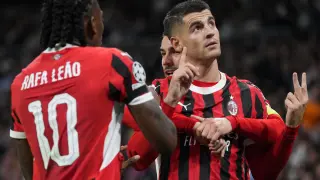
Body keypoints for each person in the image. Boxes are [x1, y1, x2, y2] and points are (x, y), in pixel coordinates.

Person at [125, 1, 309, 179]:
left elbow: (264, 173)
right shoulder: (160, 91)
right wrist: (174, 109)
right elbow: (139, 160)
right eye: (197, 28)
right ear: (177, 44)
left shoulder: (247, 92)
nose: (210, 32)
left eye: (211, 24)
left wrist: (233, 123)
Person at [9, 0, 178, 180]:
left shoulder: (20, 83)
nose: (103, 28)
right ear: (90, 23)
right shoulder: (112, 63)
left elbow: (29, 173)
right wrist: (167, 100)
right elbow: (166, 142)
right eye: (100, 20)